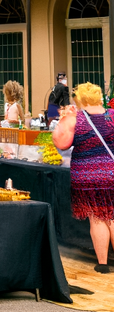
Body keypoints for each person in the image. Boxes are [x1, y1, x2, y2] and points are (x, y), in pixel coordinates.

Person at [52, 82, 114, 273]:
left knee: (97, 217)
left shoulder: (74, 119)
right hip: (112, 172)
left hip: (87, 176)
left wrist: (62, 120)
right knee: (113, 216)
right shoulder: (112, 115)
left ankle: (102, 264)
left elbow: (61, 144)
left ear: (79, 99)